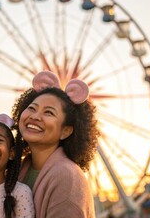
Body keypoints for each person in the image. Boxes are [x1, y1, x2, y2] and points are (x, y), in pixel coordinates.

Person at [11, 71, 100, 218]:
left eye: (49, 113)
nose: (35, 116)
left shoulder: (67, 179)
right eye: (32, 108)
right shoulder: (20, 168)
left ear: (65, 131)